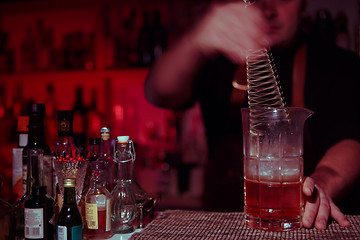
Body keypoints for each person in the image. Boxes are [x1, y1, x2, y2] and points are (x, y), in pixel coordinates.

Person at [144, 0, 360, 230]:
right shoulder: (217, 60)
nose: (269, 8)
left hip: (300, 224)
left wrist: (322, 182)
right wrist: (196, 40)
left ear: (303, 3)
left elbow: (351, 139)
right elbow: (158, 92)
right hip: (220, 228)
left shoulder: (338, 64)